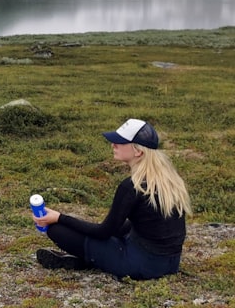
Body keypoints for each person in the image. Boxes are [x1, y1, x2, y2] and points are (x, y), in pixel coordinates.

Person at [32, 118, 192, 280]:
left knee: (57, 230)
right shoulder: (170, 180)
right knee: (123, 228)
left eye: (120, 142)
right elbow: (143, 225)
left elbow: (103, 232)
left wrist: (59, 217)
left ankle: (89, 261)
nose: (113, 145)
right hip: (170, 263)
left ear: (138, 151)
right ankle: (91, 260)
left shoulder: (132, 187)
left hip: (142, 266)